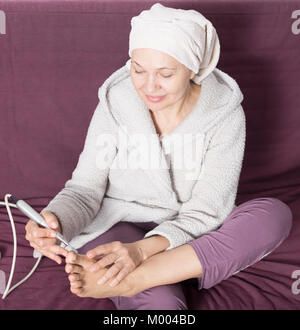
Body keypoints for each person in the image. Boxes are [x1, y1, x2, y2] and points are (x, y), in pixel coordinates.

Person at [25, 3, 293, 310]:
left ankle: (140, 277)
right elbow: (85, 190)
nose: (148, 86)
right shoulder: (117, 100)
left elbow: (207, 211)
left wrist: (142, 255)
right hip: (119, 228)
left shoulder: (224, 113)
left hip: (193, 236)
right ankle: (165, 275)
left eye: (166, 73)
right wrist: (56, 221)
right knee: (163, 309)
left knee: (274, 215)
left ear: (193, 69)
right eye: (138, 70)